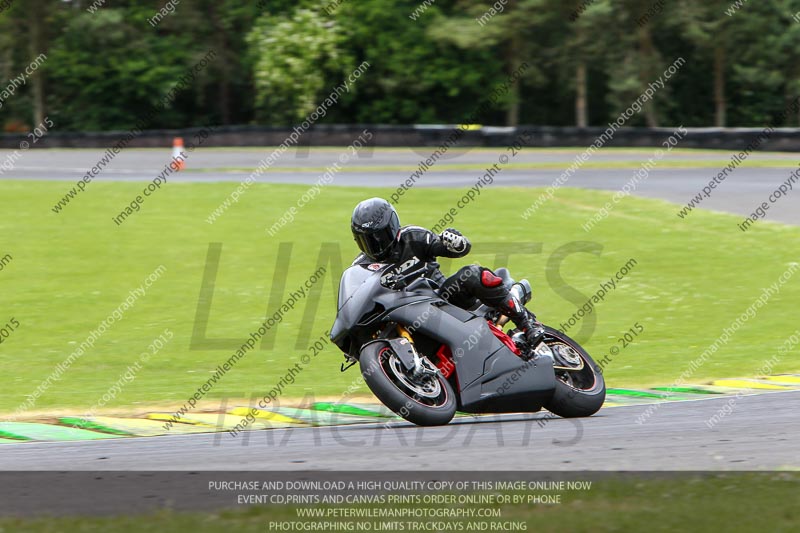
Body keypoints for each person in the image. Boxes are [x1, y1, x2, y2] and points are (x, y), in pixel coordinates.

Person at [350, 197, 542, 346]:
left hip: (444, 301)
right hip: (405, 317)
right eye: (368, 240)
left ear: (393, 227)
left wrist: (455, 243)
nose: (377, 245)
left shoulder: (413, 237)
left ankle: (528, 323)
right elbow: (356, 302)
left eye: (380, 237)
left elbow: (454, 248)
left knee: (472, 274)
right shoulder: (360, 266)